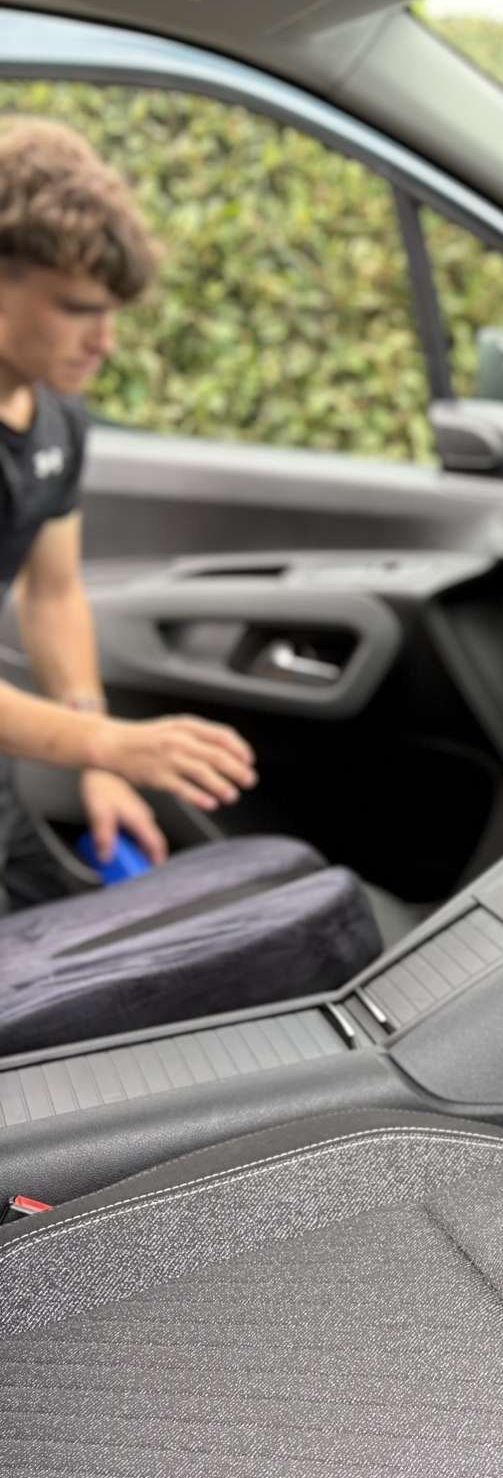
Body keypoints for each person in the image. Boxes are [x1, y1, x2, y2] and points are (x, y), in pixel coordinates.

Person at [0, 117, 256, 913]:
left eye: (114, 311)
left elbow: (52, 593)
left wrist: (98, 765)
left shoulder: (56, 413)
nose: (106, 343)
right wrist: (111, 743)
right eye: (79, 309)